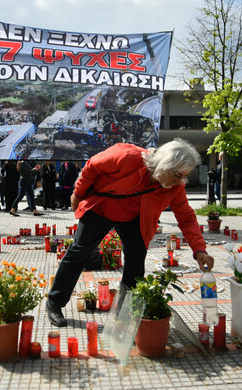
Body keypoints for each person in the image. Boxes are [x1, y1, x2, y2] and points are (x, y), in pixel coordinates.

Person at [45, 139, 215, 327]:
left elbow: (186, 217)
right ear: (166, 164)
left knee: (136, 258)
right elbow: (92, 166)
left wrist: (200, 249)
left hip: (133, 218)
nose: (179, 181)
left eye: (184, 177)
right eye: (177, 175)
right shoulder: (128, 156)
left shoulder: (175, 187)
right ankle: (54, 302)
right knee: (79, 252)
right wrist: (77, 194)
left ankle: (125, 314)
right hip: (101, 208)